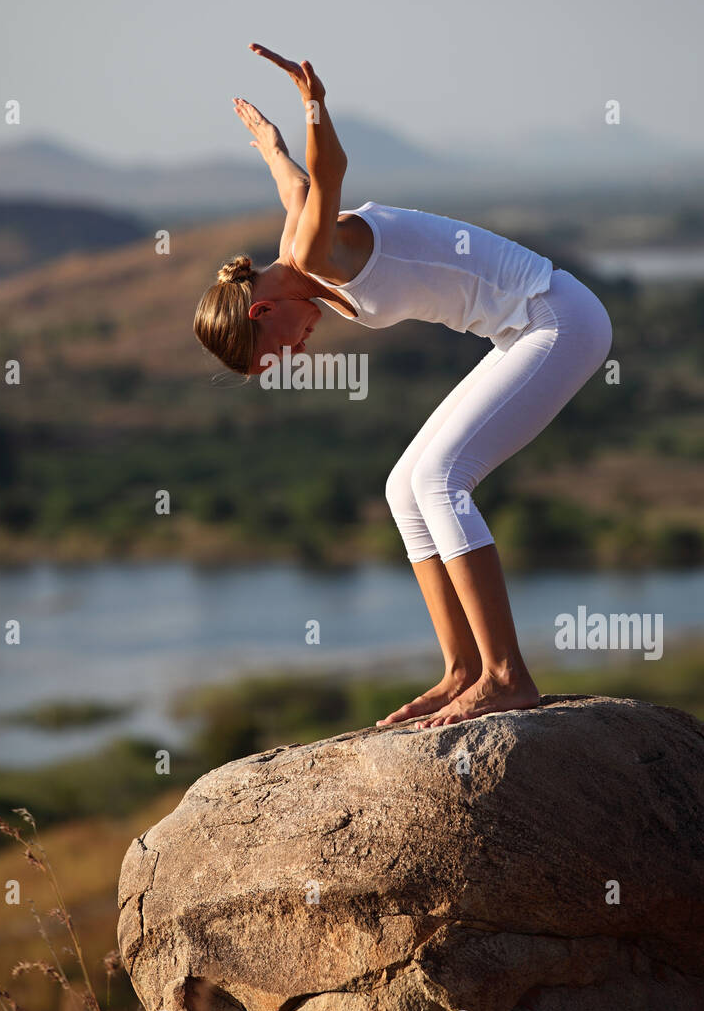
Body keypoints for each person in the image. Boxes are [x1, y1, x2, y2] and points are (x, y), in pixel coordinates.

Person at [194, 44, 612, 726]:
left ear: (261, 311)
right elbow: (295, 182)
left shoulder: (309, 253)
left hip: (556, 317)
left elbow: (327, 169)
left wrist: (312, 106)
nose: (295, 351)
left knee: (442, 479)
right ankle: (463, 670)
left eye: (279, 348)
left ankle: (507, 675)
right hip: (520, 330)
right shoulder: (298, 249)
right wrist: (270, 146)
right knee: (404, 487)